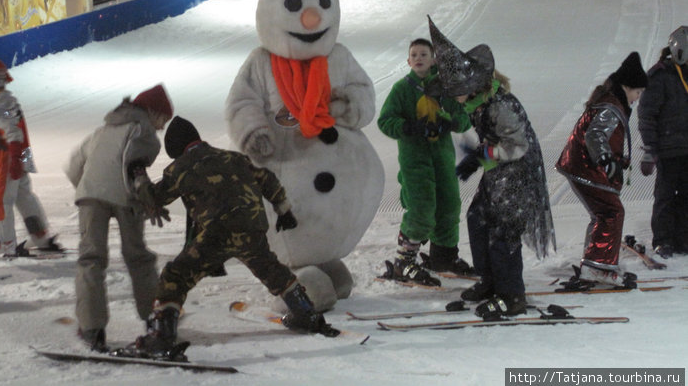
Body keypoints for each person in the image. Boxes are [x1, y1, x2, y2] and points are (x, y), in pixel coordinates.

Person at [127, 116, 338, 358]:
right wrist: (283, 209)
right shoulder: (233, 158)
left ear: (176, 148)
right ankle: (305, 313)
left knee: (177, 275)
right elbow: (267, 178)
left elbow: (154, 199)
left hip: (216, 232)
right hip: (252, 226)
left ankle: (161, 337)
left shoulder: (180, 167)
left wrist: (140, 177)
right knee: (271, 269)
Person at [426, 17, 555, 318]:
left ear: (471, 86)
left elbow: (518, 146)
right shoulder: (477, 105)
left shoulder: (501, 105)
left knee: (503, 232)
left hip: (519, 175)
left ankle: (512, 295)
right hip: (499, 173)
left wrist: (482, 152)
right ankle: (490, 281)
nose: (452, 95)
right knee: (477, 218)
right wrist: (479, 158)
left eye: (454, 89)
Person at [64, 84, 173, 352]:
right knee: (138, 258)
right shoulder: (143, 129)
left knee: (90, 260)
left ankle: (92, 330)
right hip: (126, 197)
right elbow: (134, 162)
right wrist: (143, 194)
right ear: (152, 112)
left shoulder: (100, 132)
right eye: (163, 120)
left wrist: (89, 188)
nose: (161, 127)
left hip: (90, 196)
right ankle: (154, 320)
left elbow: (73, 165)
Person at [377, 36, 472, 286]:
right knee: (421, 208)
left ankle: (444, 256)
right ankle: (404, 261)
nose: (419, 58)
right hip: (415, 160)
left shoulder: (445, 88)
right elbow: (385, 121)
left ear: (433, 60)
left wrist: (449, 121)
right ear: (408, 61)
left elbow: (464, 118)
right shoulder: (401, 89)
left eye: (424, 54)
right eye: (414, 55)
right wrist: (408, 127)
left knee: (449, 205)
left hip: (442, 157)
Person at [556, 52, 647, 287]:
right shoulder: (611, 107)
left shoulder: (610, 102)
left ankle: (594, 262)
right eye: (638, 92)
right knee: (611, 212)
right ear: (627, 87)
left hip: (579, 164)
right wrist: (607, 161)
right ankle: (598, 268)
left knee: (602, 213)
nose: (638, 98)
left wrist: (617, 159)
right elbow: (595, 135)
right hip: (585, 167)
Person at [0, 58, 62, 257]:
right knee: (24, 197)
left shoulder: (0, 104)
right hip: (17, 156)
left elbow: (12, 133)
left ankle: (3, 242)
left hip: (8, 157)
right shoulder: (7, 100)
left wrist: (12, 158)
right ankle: (40, 235)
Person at [638, 26, 688, 258]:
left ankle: (683, 238)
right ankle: (664, 240)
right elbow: (647, 115)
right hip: (669, 149)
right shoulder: (660, 75)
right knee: (666, 196)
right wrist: (650, 149)